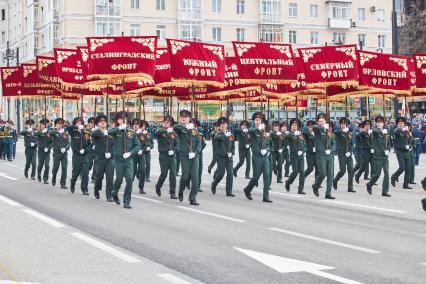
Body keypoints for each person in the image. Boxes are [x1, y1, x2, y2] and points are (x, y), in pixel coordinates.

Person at [109, 111, 141, 209]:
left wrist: (130, 153)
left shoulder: (131, 132)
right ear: (118, 121)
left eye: (124, 119)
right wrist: (119, 128)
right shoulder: (115, 130)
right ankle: (115, 191)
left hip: (128, 160)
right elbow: (107, 133)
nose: (123, 121)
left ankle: (126, 201)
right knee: (119, 179)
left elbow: (138, 145)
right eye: (120, 119)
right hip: (118, 159)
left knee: (129, 180)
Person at [173, 110, 202, 205]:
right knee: (185, 176)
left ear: (189, 118)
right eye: (182, 117)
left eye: (185, 117)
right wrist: (185, 126)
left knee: (195, 177)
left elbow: (199, 143)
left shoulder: (195, 130)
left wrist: (195, 152)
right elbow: (175, 127)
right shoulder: (181, 128)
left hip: (194, 156)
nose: (183, 118)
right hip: (184, 156)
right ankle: (181, 191)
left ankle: (192, 198)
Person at [243, 112, 272, 203]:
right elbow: (249, 131)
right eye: (256, 120)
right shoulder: (252, 130)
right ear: (254, 121)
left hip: (264, 157)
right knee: (256, 177)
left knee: (267, 176)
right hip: (256, 157)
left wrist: (266, 150)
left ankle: (265, 196)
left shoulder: (264, 132)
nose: (258, 121)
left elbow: (268, 144)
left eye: (259, 120)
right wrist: (257, 129)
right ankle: (247, 189)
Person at [312, 113, 336, 199]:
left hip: (329, 155)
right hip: (320, 155)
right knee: (323, 173)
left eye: (323, 121)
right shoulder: (317, 130)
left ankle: (328, 193)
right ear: (318, 122)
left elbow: (334, 144)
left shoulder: (330, 133)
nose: (321, 122)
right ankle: (315, 186)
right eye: (320, 121)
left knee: (330, 174)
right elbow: (314, 127)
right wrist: (322, 127)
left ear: (326, 121)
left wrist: (330, 150)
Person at [366, 116, 391, 197]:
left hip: (385, 157)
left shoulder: (386, 132)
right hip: (378, 156)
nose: (379, 124)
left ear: (384, 123)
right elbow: (374, 131)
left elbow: (389, 143)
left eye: (381, 122)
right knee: (377, 174)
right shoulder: (375, 131)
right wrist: (381, 132)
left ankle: (385, 191)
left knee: (387, 174)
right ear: (376, 123)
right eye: (378, 123)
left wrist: (388, 150)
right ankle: (369, 184)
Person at [91, 114, 115, 201]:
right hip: (100, 158)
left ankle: (109, 195)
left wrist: (111, 153)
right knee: (99, 177)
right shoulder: (96, 132)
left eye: (104, 121)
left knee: (110, 177)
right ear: (97, 124)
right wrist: (103, 133)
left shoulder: (111, 132)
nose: (103, 123)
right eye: (101, 122)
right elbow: (93, 134)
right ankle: (96, 189)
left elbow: (114, 145)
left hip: (110, 159)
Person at [211, 117, 235, 197]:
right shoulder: (217, 134)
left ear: (227, 125)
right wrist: (225, 135)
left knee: (230, 174)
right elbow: (217, 138)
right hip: (221, 157)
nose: (222, 126)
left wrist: (231, 153)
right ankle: (214, 184)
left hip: (229, 157)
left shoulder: (230, 134)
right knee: (221, 174)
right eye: (221, 125)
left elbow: (233, 146)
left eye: (224, 124)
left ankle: (229, 191)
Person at [67, 117, 92, 195]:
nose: (79, 124)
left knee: (85, 172)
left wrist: (85, 150)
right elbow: (68, 128)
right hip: (76, 155)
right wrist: (76, 127)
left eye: (80, 123)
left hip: (85, 155)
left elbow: (90, 145)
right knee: (76, 172)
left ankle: (84, 189)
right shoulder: (73, 132)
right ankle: (73, 182)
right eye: (77, 123)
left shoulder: (87, 133)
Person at [155, 116, 178, 199]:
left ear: (171, 124)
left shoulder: (173, 133)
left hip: (172, 156)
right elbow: (157, 132)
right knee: (164, 174)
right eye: (165, 122)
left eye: (168, 122)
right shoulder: (160, 130)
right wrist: (166, 130)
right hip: (163, 155)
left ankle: (172, 192)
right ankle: (158, 186)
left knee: (173, 174)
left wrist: (174, 151)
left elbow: (177, 144)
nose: (165, 123)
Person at [333, 117, 356, 193]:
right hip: (342, 154)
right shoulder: (338, 132)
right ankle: (335, 180)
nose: (343, 125)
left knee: (351, 171)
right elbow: (336, 132)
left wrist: (350, 151)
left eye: (345, 124)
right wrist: (343, 130)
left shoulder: (350, 133)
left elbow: (352, 144)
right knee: (342, 171)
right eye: (342, 124)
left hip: (348, 154)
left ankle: (350, 187)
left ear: (348, 125)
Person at [285, 118, 306, 194]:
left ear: (298, 126)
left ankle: (300, 189)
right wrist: (293, 133)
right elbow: (285, 137)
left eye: (296, 125)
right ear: (290, 126)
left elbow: (305, 146)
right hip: (294, 156)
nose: (294, 126)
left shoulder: (301, 135)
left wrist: (302, 151)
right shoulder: (289, 134)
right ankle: (288, 182)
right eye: (293, 125)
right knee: (295, 172)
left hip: (301, 156)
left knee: (302, 172)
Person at [391, 116, 412, 189]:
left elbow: (411, 141)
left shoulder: (407, 132)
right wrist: (403, 129)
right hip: (400, 152)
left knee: (408, 169)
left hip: (407, 152)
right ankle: (394, 177)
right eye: (399, 123)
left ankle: (405, 184)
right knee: (402, 167)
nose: (401, 124)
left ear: (404, 124)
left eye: (402, 123)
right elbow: (396, 132)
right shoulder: (396, 131)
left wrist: (409, 146)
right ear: (397, 124)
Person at [50, 118, 70, 189]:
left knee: (64, 168)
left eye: (61, 124)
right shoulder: (54, 132)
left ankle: (63, 183)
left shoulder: (65, 133)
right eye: (58, 124)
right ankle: (54, 177)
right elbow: (50, 133)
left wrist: (65, 148)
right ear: (56, 125)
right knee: (55, 168)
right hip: (57, 154)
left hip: (64, 154)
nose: (60, 125)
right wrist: (58, 131)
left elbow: (68, 143)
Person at [132, 118, 147, 194]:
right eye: (134, 124)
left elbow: (145, 145)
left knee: (143, 171)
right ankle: (129, 185)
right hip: (133, 155)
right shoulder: (130, 134)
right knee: (133, 171)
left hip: (141, 155)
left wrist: (142, 150)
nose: (136, 126)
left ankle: (141, 187)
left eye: (137, 125)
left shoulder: (143, 135)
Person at [35, 119, 52, 184]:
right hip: (41, 151)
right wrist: (42, 132)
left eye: (46, 124)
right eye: (43, 124)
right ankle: (39, 174)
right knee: (40, 165)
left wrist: (48, 148)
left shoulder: (49, 132)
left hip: (47, 151)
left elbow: (52, 142)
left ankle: (45, 178)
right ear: (41, 125)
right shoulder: (39, 132)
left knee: (47, 165)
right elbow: (35, 134)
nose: (45, 126)